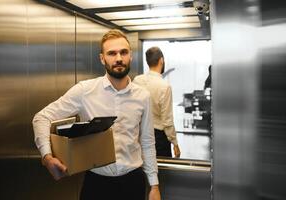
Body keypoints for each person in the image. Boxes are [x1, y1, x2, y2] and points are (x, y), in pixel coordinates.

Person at [32, 29, 161, 200]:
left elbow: (147, 142)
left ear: (131, 55)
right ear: (102, 58)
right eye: (111, 53)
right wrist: (47, 157)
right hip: (96, 183)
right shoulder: (85, 91)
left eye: (123, 52)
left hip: (133, 182)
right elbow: (42, 117)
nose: (118, 58)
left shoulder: (142, 96)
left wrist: (154, 185)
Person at [133, 47, 181, 158]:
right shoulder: (164, 86)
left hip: (140, 134)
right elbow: (167, 120)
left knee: (143, 167)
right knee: (162, 171)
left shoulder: (137, 80)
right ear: (161, 60)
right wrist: (175, 143)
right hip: (158, 138)